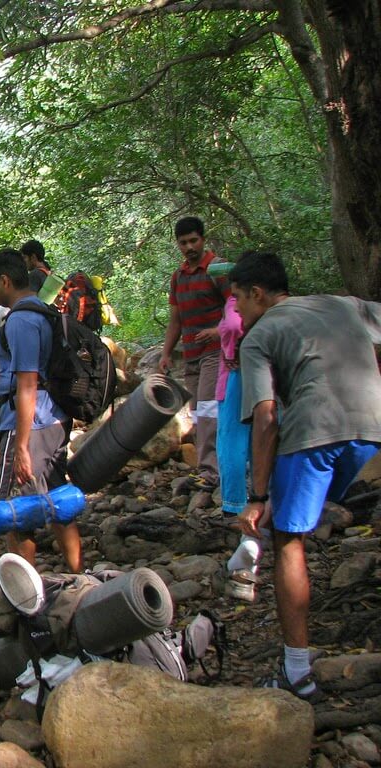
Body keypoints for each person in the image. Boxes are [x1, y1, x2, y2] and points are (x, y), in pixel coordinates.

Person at [232, 251, 381, 701]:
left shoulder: (259, 336)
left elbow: (265, 417)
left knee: (288, 541)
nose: (236, 310)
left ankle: (297, 673)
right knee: (294, 505)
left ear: (257, 293)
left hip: (313, 432)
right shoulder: (345, 305)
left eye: (238, 300)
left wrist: (256, 496)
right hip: (372, 428)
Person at [0, 248, 83, 572]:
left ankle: (27, 596)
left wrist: (22, 447)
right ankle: (77, 576)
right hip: (53, 419)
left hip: (28, 425)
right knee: (57, 501)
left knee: (17, 513)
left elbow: (27, 384)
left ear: (5, 280)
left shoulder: (21, 320)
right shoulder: (44, 309)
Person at [158, 216, 229, 491]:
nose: (189, 247)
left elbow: (236, 309)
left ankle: (211, 472)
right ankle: (208, 466)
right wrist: (166, 354)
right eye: (183, 242)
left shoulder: (217, 269)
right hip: (191, 354)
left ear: (203, 239)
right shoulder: (178, 277)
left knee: (209, 409)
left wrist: (218, 330)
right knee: (198, 411)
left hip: (216, 352)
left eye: (193, 241)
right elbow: (176, 320)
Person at [216, 294, 259, 601]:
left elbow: (232, 325)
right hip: (263, 377)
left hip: (237, 375)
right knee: (261, 441)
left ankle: (235, 507)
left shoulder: (236, 299)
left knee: (232, 441)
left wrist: (233, 349)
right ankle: (261, 511)